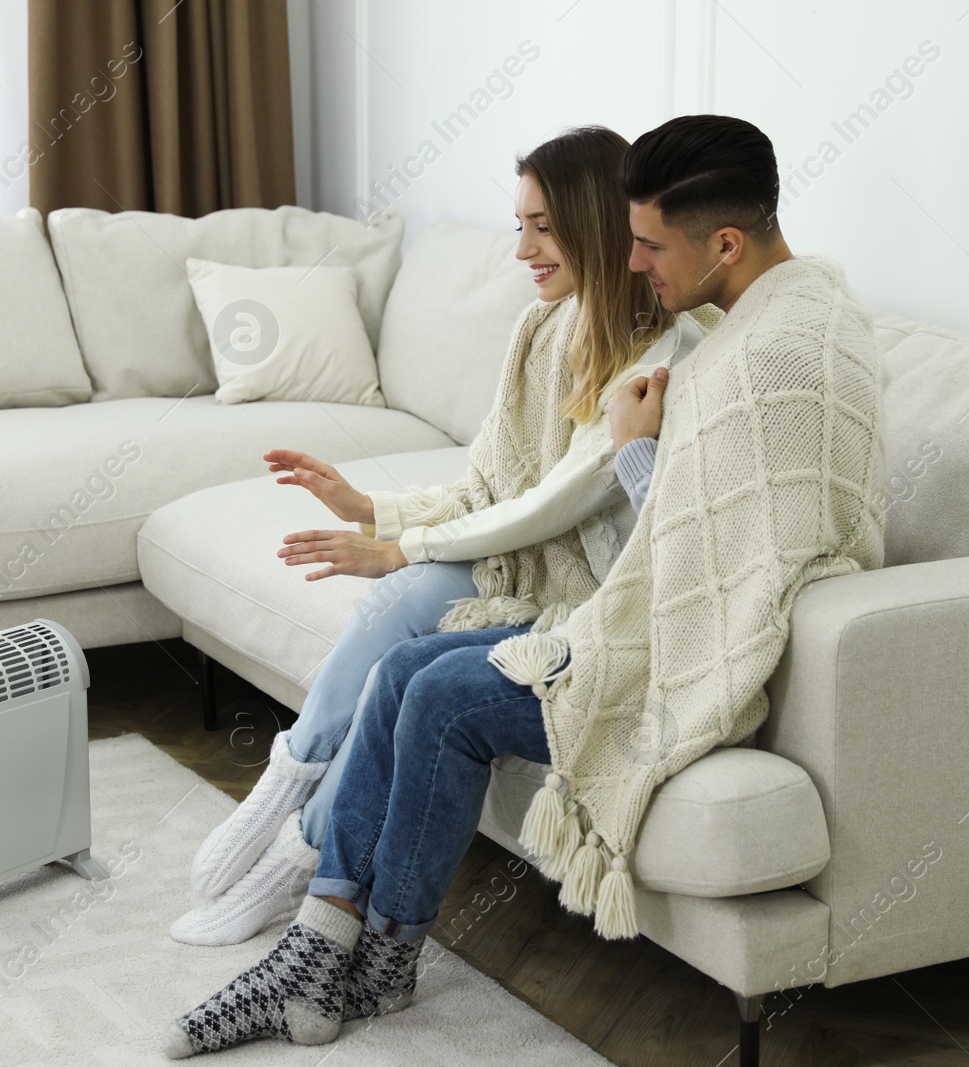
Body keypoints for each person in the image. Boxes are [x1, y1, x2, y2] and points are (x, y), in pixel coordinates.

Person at [163, 113, 888, 1059]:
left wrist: (632, 454)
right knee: (405, 671)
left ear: (723, 242)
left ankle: (371, 962)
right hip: (633, 615)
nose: (632, 264)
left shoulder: (761, 360)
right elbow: (691, 527)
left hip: (680, 657)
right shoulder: (781, 317)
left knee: (445, 694)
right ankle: (323, 941)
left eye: (649, 244)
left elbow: (708, 560)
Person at [171, 126, 714, 948]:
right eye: (520, 224)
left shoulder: (662, 353)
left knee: (408, 596)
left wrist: (402, 545)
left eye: (541, 226)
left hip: (585, 598)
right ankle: (281, 802)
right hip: (524, 568)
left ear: (596, 222)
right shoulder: (542, 330)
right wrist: (372, 509)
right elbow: (489, 481)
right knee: (402, 599)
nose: (522, 249)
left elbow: (556, 504)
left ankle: (291, 854)